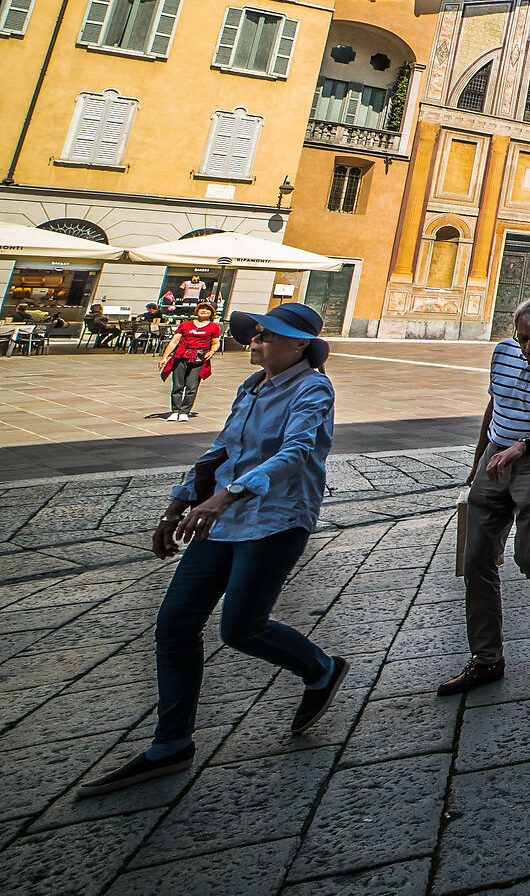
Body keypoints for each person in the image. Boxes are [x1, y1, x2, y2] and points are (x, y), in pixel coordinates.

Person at [78, 304, 345, 797]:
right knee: (176, 623)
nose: (254, 342)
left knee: (242, 628)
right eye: (255, 335)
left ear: (299, 344)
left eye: (266, 337)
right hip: (219, 519)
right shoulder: (251, 387)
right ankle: (171, 743)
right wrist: (178, 502)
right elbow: (220, 450)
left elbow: (297, 452)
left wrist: (228, 495)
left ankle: (320, 668)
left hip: (275, 519)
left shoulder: (313, 388)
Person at [442, 298, 530, 697]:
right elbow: (495, 406)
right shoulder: (503, 352)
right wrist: (479, 460)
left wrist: (522, 447)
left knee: (529, 553)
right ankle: (486, 659)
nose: (528, 349)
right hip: (496, 459)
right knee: (476, 561)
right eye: (522, 338)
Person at [161, 302, 221, 422]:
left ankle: (184, 411)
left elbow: (215, 342)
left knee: (192, 387)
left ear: (212, 314)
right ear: (197, 311)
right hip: (181, 356)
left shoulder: (214, 327)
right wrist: (165, 357)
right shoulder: (185, 324)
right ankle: (175, 411)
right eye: (202, 309)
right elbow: (174, 341)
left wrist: (212, 351)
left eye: (207, 310)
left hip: (199, 358)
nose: (204, 311)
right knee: (177, 386)